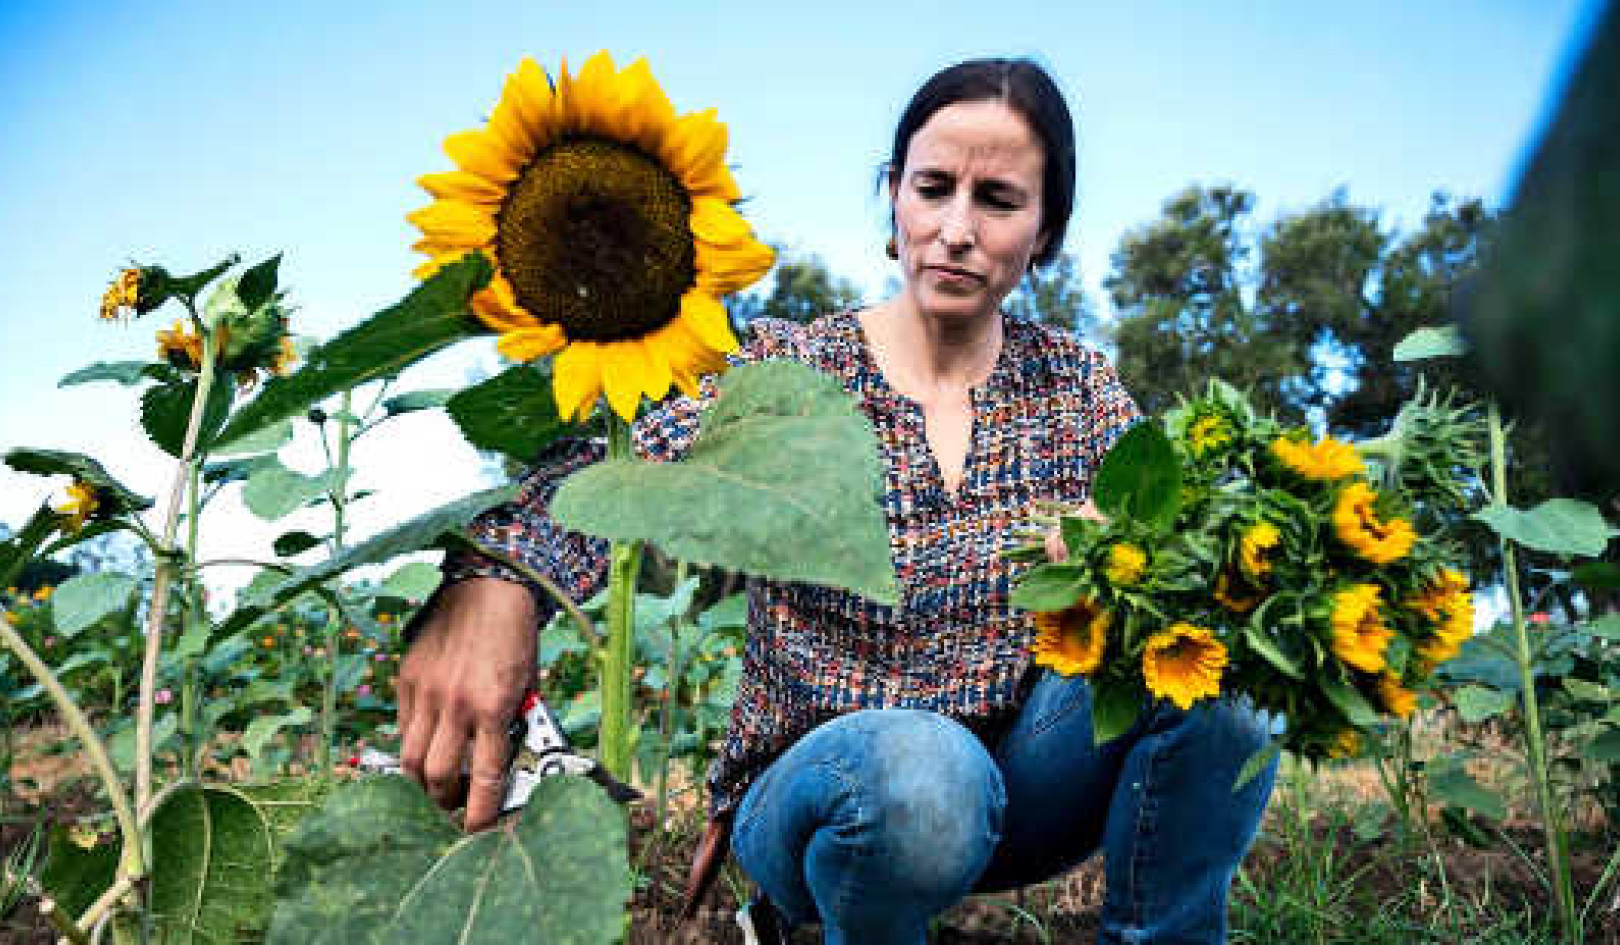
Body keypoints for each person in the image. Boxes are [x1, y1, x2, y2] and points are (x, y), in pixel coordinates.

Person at [397, 57, 1279, 945]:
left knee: (1230, 678)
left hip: (1025, 784)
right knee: (920, 773)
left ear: (1044, 231)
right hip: (828, 796)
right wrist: (496, 579)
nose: (958, 229)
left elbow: (1174, 554)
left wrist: (1120, 559)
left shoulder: (1077, 389)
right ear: (895, 199)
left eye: (1000, 201)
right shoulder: (793, 370)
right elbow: (616, 469)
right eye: (935, 187)